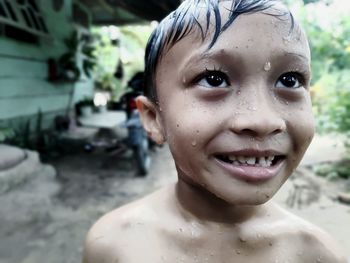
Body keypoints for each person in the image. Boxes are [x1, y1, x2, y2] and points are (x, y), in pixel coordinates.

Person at [82, 0, 347, 262]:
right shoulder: (113, 245)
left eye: (289, 80)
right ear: (153, 118)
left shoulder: (318, 255)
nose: (262, 121)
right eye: (214, 79)